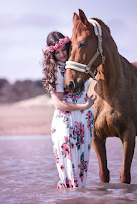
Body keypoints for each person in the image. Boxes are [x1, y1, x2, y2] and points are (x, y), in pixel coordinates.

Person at [42, 31, 97, 189]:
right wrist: (83, 106)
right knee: (70, 170)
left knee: (81, 169)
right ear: (51, 54)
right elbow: (58, 104)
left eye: (63, 50)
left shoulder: (77, 65)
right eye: (56, 52)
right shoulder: (56, 71)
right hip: (67, 123)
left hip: (84, 121)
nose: (61, 55)